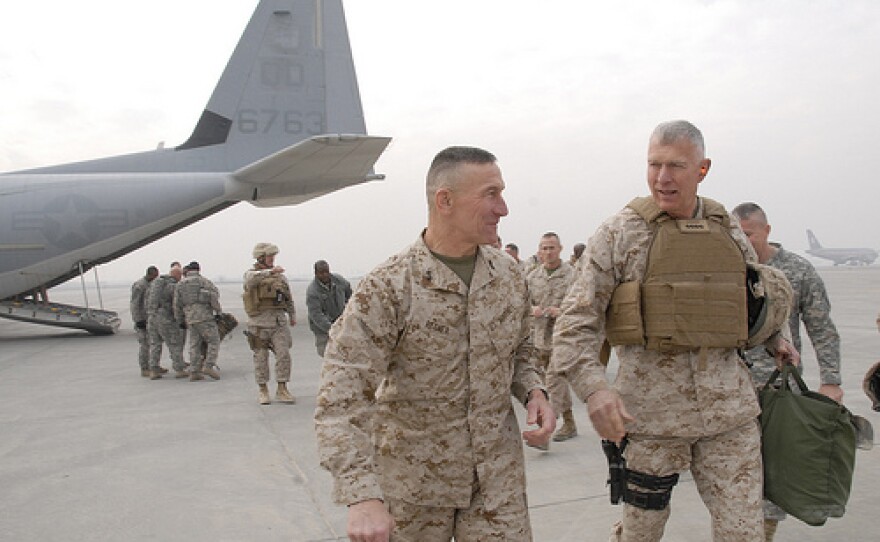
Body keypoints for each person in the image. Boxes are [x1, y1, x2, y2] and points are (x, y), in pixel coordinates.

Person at [552, 120, 798, 542]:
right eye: (654, 164)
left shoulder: (726, 227)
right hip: (649, 421)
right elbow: (575, 325)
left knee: (745, 533)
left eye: (676, 166)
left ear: (702, 169)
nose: (662, 178)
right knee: (641, 534)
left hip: (729, 415)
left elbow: (752, 295)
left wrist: (779, 339)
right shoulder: (619, 233)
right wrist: (595, 391)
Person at [314, 146, 555, 542]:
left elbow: (521, 349)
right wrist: (361, 494)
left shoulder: (509, 276)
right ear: (445, 201)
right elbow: (341, 396)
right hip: (415, 492)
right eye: (491, 194)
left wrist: (534, 391)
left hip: (497, 486)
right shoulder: (389, 287)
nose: (504, 208)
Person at [732, 201, 842, 541]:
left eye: (749, 234)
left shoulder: (797, 270)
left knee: (774, 468)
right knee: (735, 473)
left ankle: (763, 534)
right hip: (733, 390)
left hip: (779, 389)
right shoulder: (728, 270)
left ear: (767, 230)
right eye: (738, 235)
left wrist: (831, 380)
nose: (744, 242)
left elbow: (821, 327)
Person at [527, 232, 578, 446]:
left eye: (552, 248)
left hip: (562, 337)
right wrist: (533, 309)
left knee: (554, 382)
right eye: (544, 248)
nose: (548, 252)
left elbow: (582, 303)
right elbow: (522, 302)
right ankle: (569, 422)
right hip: (539, 338)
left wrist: (562, 310)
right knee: (547, 383)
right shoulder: (532, 277)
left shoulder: (572, 275)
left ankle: (545, 431)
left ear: (560, 249)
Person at [243, 243, 296, 405]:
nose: (272, 259)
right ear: (260, 258)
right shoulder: (251, 274)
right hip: (259, 324)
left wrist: (292, 315)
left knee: (283, 354)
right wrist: (269, 272)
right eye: (269, 256)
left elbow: (288, 297)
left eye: (273, 256)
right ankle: (263, 389)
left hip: (278, 323)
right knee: (261, 357)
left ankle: (282, 388)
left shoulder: (280, 277)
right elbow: (250, 280)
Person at [173, 262, 222, 382]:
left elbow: (177, 304)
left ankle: (194, 371)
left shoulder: (180, 284)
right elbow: (214, 297)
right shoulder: (204, 282)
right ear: (199, 269)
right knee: (213, 341)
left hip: (190, 318)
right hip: (205, 317)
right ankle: (208, 365)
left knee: (194, 344)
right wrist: (218, 312)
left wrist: (180, 319)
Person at [146, 264, 192, 379]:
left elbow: (147, 300)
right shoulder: (173, 286)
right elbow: (177, 304)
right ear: (178, 275)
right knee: (174, 344)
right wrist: (181, 319)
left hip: (152, 318)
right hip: (166, 319)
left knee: (155, 344)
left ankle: (154, 370)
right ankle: (179, 369)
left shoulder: (155, 284)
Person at [306, 260, 352, 357]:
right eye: (321, 273)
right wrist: (332, 328)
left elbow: (350, 294)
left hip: (341, 322)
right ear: (316, 273)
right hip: (322, 329)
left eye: (327, 272)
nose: (325, 275)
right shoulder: (312, 291)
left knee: (345, 354)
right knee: (327, 354)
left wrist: (349, 310)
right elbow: (316, 315)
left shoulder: (339, 280)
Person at [130, 265, 159, 377]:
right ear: (150, 274)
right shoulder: (139, 286)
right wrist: (138, 320)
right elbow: (135, 304)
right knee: (145, 345)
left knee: (154, 343)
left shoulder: (152, 284)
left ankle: (154, 366)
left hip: (150, 319)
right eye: (155, 276)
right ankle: (144, 368)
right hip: (142, 319)